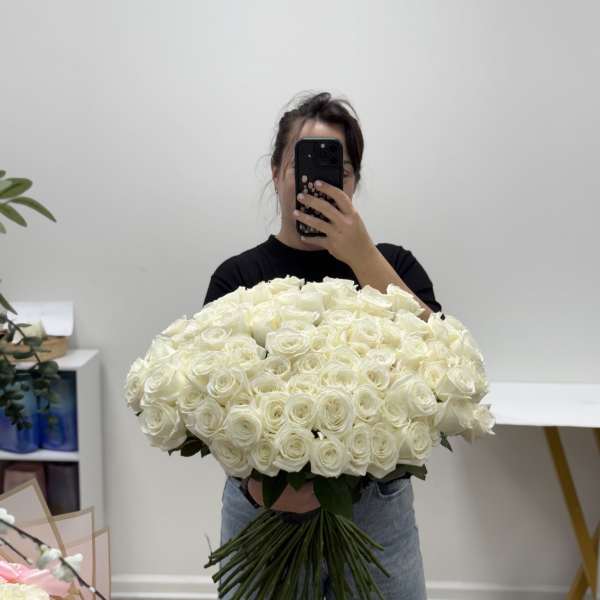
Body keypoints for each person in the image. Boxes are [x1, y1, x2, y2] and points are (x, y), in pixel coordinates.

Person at [202, 91, 443, 599]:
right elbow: (211, 402)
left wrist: (361, 254)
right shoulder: (237, 276)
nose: (321, 181)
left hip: (377, 507)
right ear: (276, 173)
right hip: (263, 506)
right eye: (302, 165)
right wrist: (258, 486)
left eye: (339, 169)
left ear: (353, 181)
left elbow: (439, 358)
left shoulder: (392, 264)